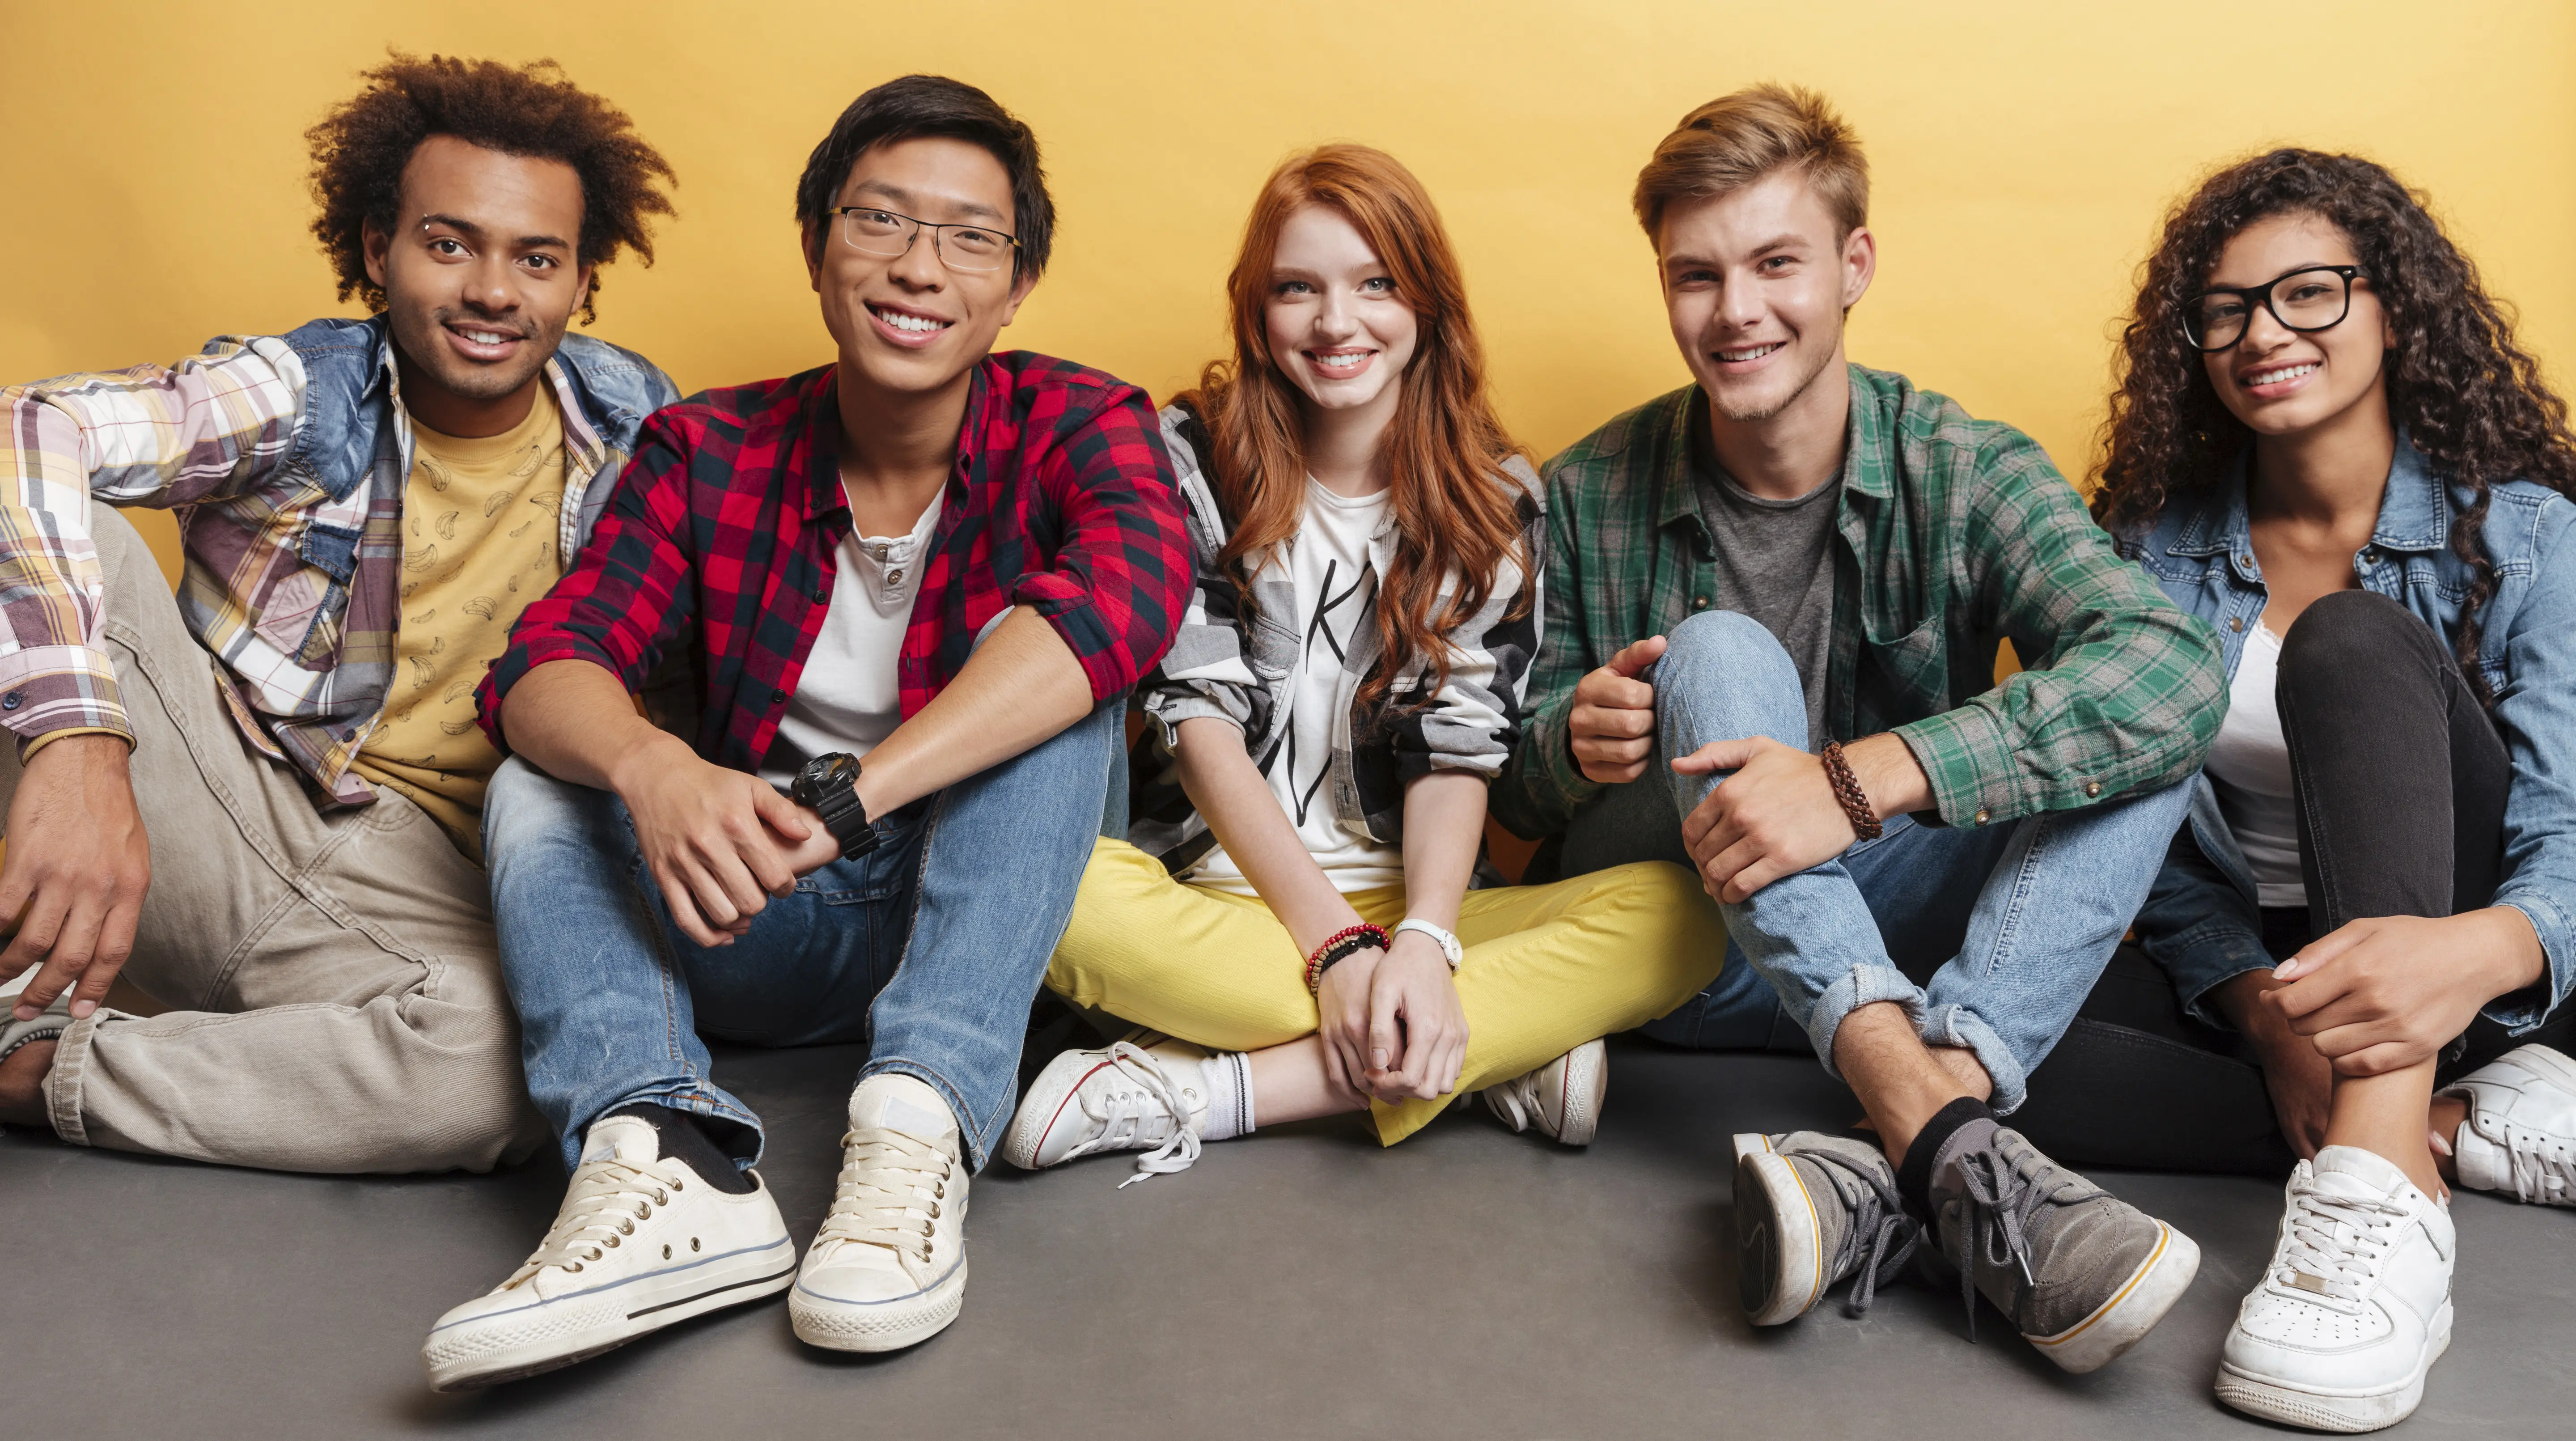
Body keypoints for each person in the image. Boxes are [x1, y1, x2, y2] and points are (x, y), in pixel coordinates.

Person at [419, 75, 1189, 1388]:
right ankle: (668, 1157)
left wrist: (852, 796)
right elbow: (546, 661)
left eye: (968, 237)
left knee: (1063, 685)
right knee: (546, 775)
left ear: (1015, 287)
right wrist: (656, 767)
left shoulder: (1079, 419)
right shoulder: (704, 447)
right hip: (762, 897)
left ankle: (918, 1122)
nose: (917, 266)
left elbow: (1130, 598)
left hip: (1005, 906)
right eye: (879, 219)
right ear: (819, 249)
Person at [1487, 85, 2229, 1370]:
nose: (1737, 312)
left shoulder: (1963, 466)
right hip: (1686, 946)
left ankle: (1907, 1132)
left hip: (1892, 942)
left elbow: (2167, 668)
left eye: (1778, 263)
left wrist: (1862, 777)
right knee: (1718, 648)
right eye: (1696, 275)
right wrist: (1571, 739)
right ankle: (1941, 1125)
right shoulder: (1590, 489)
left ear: (1853, 266)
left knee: (2150, 722)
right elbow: (1499, 791)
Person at [0, 55, 677, 1172]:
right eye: (449, 243)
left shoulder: (634, 415)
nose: (494, 291)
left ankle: (43, 1067)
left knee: (495, 1076)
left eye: (537, 258)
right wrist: (81, 745)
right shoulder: (311, 392)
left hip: (432, 897)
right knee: (51, 521)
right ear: (379, 249)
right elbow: (28, 431)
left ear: (583, 277)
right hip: (222, 802)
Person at [999, 146, 1723, 1184]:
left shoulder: (1494, 493)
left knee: (1686, 916)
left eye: (1377, 284)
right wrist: (1336, 952)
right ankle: (1486, 1055)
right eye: (1300, 289)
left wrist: (1422, 942)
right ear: (1258, 311)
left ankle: (1205, 1089)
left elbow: (1457, 746)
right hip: (1218, 900)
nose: (1339, 324)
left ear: (1427, 302)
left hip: (1436, 912)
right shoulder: (1187, 455)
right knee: (1047, 887)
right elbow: (1196, 725)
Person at [2094, 148, 2576, 1432]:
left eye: (2309, 292)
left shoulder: (2530, 532)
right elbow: (2145, 839)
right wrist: (2265, 1010)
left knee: (2351, 639)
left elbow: (2567, 822)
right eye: (2228, 308)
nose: (2264, 334)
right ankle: (2469, 1115)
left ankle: (2376, 1193)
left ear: (2394, 308)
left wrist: (2482, 947)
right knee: (1983, 1057)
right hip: (2276, 974)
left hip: (2480, 944)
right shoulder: (2142, 551)